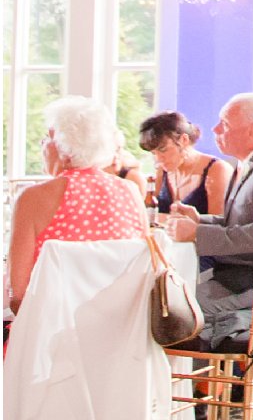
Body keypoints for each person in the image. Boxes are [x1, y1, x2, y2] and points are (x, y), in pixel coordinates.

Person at [165, 91, 253, 326]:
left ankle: (227, 359)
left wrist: (196, 233)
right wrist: (200, 220)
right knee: (168, 301)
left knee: (177, 310)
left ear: (252, 130)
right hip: (244, 273)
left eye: (225, 124)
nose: (215, 130)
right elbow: (245, 223)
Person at [7, 95, 149, 306]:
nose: (42, 144)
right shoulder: (130, 191)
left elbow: (18, 291)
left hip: (53, 330)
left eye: (47, 138)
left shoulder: (33, 198)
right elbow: (145, 268)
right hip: (118, 327)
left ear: (65, 150)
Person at [138, 109, 231, 218]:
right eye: (154, 153)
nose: (158, 159)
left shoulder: (217, 169)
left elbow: (218, 225)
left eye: (163, 150)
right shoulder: (162, 170)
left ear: (184, 140)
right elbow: (148, 215)